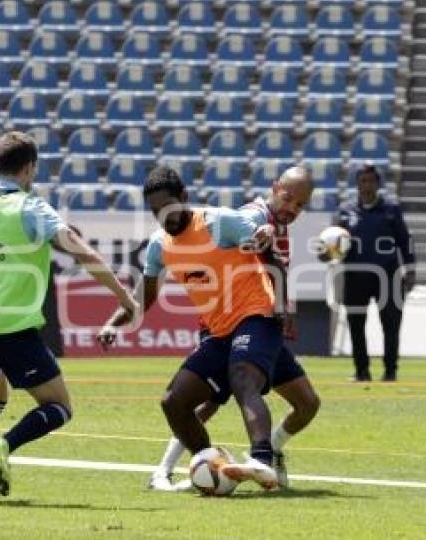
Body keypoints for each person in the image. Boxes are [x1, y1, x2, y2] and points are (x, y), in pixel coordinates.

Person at [0, 131, 137, 501]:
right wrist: (124, 298)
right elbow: (84, 254)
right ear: (29, 168)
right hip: (11, 325)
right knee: (59, 406)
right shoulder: (32, 208)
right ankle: (4, 445)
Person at [99, 166, 291, 491]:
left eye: (168, 207)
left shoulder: (219, 222)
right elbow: (144, 297)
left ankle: (262, 460)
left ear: (184, 197)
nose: (164, 216)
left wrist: (283, 304)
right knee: (173, 402)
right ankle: (209, 465)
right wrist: (113, 323)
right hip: (218, 332)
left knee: (242, 376)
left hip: (256, 315)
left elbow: (271, 249)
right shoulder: (159, 245)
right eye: (155, 210)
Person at [332, 164, 415, 382]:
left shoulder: (391, 209)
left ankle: (390, 371)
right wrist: (327, 254)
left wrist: (411, 270)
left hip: (388, 277)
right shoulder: (345, 211)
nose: (367, 185)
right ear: (357, 184)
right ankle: (362, 371)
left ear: (378, 184)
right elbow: (333, 245)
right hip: (355, 276)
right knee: (356, 324)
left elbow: (405, 241)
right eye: (363, 181)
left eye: (371, 181)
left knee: (391, 324)